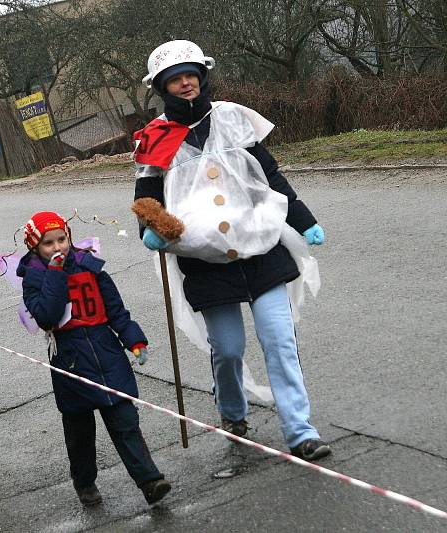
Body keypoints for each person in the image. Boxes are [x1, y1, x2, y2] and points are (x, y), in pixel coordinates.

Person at [133, 40, 331, 461]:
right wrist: (149, 230)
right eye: (175, 78)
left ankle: (300, 430)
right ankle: (233, 413)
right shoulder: (155, 139)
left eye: (191, 74)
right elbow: (147, 194)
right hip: (204, 259)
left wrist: (304, 219)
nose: (185, 83)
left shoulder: (233, 118)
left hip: (260, 249)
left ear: (201, 77)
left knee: (279, 341)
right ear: (162, 87)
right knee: (227, 349)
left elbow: (270, 175)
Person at [16, 211, 171, 506]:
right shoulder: (34, 278)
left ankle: (150, 481)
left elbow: (115, 308)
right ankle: (84, 482)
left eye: (62, 239)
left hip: (106, 351)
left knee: (125, 420)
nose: (58, 247)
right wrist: (55, 274)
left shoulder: (89, 264)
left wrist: (133, 339)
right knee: (80, 433)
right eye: (48, 243)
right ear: (35, 247)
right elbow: (47, 316)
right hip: (70, 362)